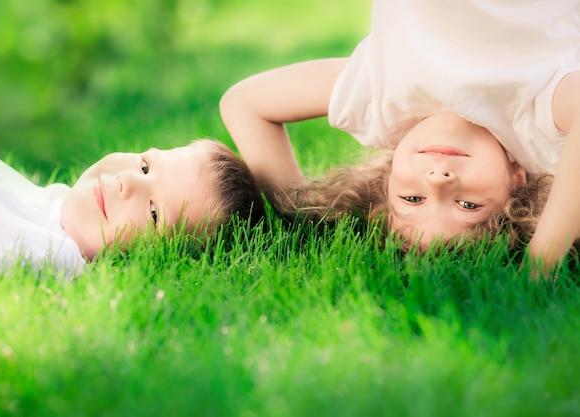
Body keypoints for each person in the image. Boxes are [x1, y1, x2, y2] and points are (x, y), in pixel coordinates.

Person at [220, 0, 580, 272]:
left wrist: (300, 227)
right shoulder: (535, 113)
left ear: (388, 179)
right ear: (518, 181)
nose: (439, 181)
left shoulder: (384, 100)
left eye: (411, 198)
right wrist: (541, 264)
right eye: (468, 205)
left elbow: (244, 103)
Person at [0, 140, 265, 281]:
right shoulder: (47, 202)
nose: (126, 182)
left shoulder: (52, 256)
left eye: (154, 212)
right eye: (145, 166)